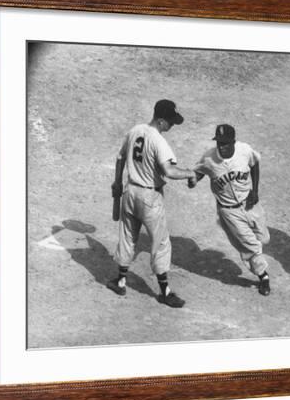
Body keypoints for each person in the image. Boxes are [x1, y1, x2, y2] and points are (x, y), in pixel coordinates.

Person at [108, 99, 197, 308]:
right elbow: (169, 171)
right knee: (161, 243)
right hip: (149, 197)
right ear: (160, 120)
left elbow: (120, 158)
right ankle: (165, 291)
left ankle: (120, 280)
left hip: (130, 192)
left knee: (128, 236)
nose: (172, 125)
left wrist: (117, 182)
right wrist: (190, 173)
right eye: (170, 122)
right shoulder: (159, 141)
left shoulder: (135, 130)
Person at [188, 124, 271, 296]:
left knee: (264, 238)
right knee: (252, 246)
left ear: (233, 141)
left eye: (225, 143)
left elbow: (255, 165)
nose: (221, 146)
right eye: (219, 142)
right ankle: (263, 277)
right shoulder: (209, 158)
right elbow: (198, 172)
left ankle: (249, 252)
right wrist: (193, 180)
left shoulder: (244, 150)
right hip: (228, 211)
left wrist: (255, 190)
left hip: (249, 203)